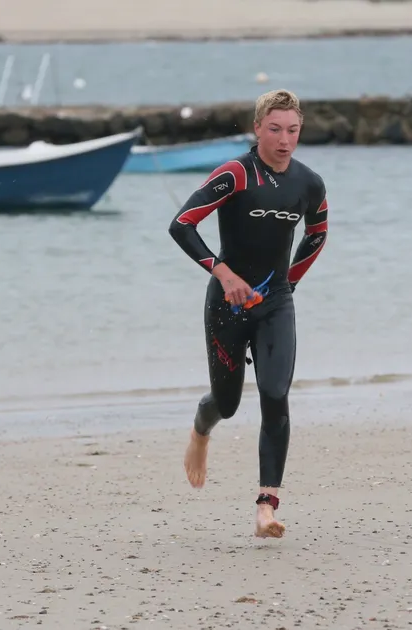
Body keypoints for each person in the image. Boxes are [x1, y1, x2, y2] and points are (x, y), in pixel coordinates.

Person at [167, 89, 329, 539]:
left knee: (276, 394)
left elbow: (317, 235)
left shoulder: (309, 183)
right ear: (257, 128)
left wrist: (287, 285)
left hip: (275, 302)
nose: (284, 140)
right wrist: (224, 274)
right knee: (228, 403)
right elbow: (182, 224)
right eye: (274, 129)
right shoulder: (236, 174)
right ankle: (201, 432)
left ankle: (266, 506)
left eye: (292, 130)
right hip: (228, 305)